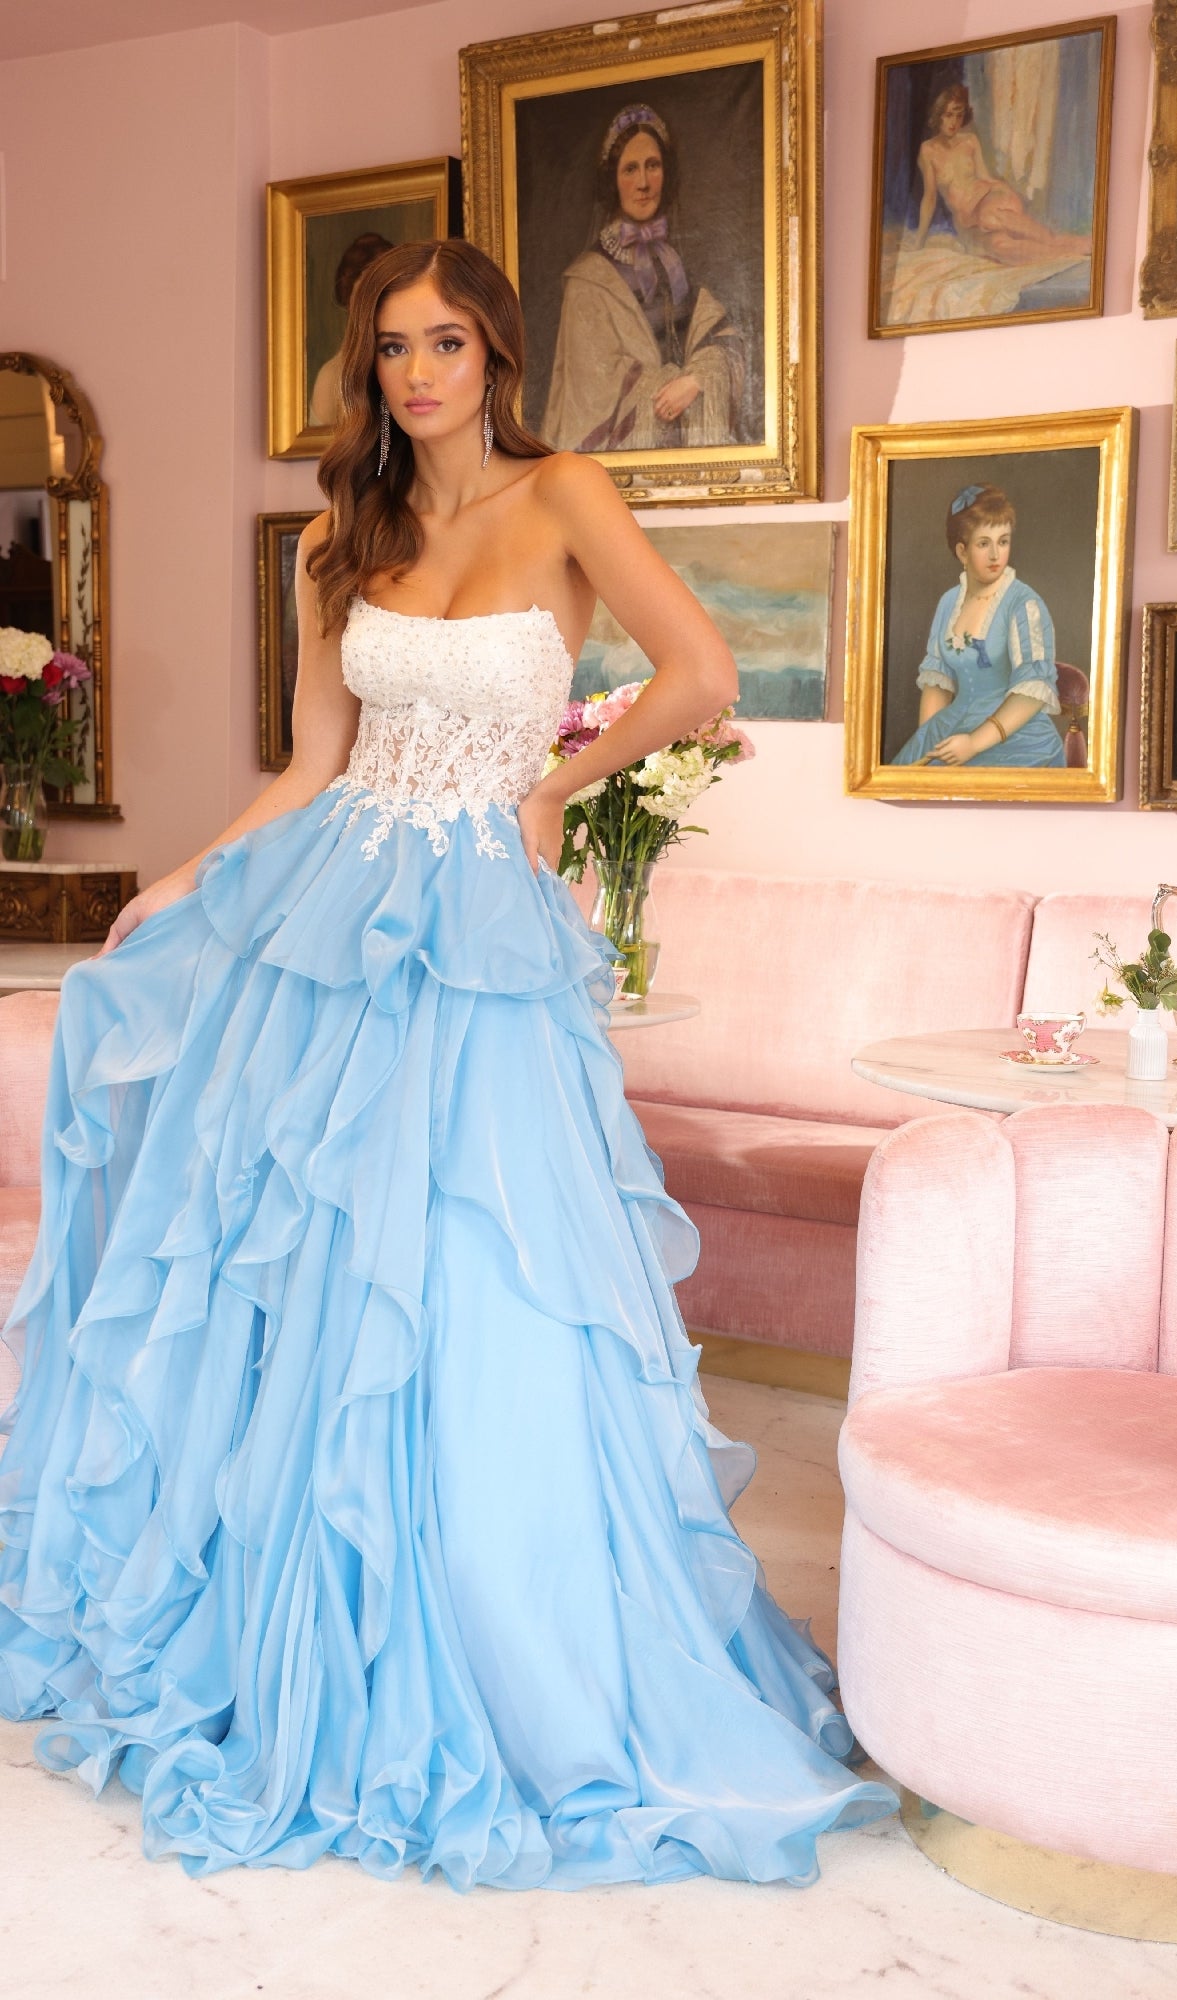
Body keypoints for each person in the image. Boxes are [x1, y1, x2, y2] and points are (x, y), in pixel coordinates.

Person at [0, 239, 896, 1886]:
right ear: (372, 370)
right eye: (393, 348)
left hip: (478, 937)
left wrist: (558, 779)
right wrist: (185, 881)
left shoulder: (568, 496)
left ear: (497, 351)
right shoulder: (345, 542)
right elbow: (309, 765)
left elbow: (701, 674)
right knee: (310, 1267)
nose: (419, 373)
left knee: (481, 1279)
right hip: (332, 911)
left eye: (448, 343)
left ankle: (504, 1640)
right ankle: (312, 1621)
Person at [542, 104, 745, 452]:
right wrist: (673, 386)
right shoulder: (587, 281)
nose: (643, 183)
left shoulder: (677, 264)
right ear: (612, 180)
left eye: (653, 166)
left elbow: (724, 338)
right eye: (630, 169)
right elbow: (592, 392)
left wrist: (697, 380)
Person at [892, 483, 1068, 769]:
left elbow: (1031, 691)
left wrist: (973, 743)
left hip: (1013, 736)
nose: (996, 555)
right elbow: (939, 680)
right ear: (962, 551)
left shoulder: (1024, 604)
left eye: (1003, 541)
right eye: (984, 543)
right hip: (954, 728)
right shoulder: (949, 602)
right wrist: (927, 739)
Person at [913, 85, 1091, 270]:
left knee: (988, 217)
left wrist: (1002, 189)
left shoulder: (970, 141)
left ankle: (1061, 240)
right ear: (938, 115)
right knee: (1001, 246)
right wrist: (919, 241)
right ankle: (1069, 253)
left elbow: (984, 177)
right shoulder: (928, 151)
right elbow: (930, 198)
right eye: (949, 115)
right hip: (968, 222)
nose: (954, 122)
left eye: (959, 116)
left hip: (990, 200)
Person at [309, 230, 394, 427]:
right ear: (350, 299)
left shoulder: (409, 365)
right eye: (366, 296)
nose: (374, 308)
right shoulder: (332, 375)